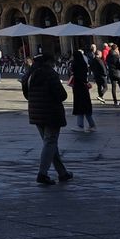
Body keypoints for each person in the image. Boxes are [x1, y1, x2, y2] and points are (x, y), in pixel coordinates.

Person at [22, 51, 73, 185]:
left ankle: (62, 173)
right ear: (48, 62)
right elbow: (62, 95)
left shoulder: (29, 75)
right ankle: (42, 174)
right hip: (51, 112)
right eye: (53, 62)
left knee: (50, 143)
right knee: (50, 142)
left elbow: (26, 94)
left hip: (36, 112)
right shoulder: (50, 74)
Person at [68, 49, 95, 131]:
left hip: (78, 89)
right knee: (86, 107)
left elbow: (76, 76)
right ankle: (92, 125)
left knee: (80, 106)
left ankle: (80, 125)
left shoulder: (75, 65)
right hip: (84, 88)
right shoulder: (83, 64)